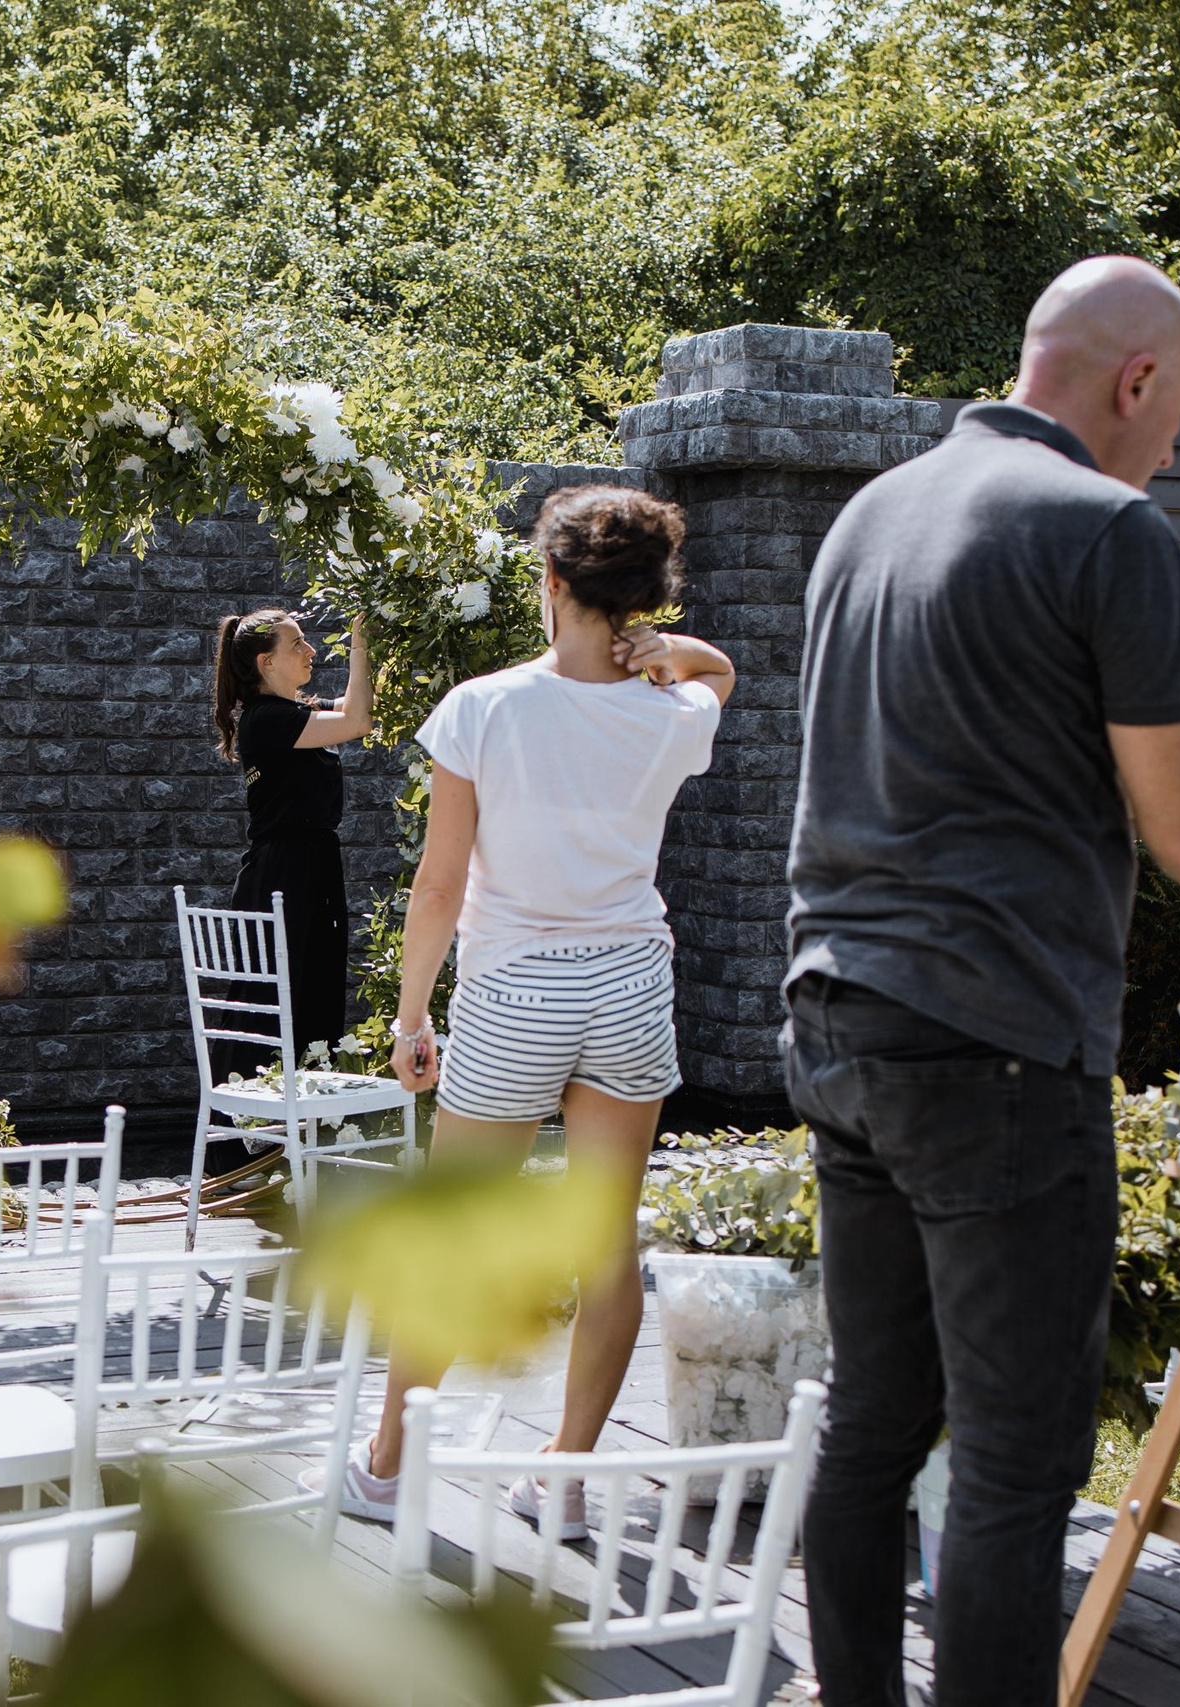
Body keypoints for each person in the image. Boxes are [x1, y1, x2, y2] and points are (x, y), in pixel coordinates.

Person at [783, 256, 1180, 1707]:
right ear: (1135, 381)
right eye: (1178, 417)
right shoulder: (1108, 529)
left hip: (839, 1015)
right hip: (996, 1043)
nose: (1174, 452)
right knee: (1016, 1465)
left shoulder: (873, 513)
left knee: (873, 1422)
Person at [311, 484, 736, 1530]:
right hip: (630, 987)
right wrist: (663, 650)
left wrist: (412, 1019)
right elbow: (721, 671)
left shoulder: (484, 706)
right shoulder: (672, 711)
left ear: (549, 578)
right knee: (606, 1242)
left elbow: (439, 886)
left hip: (516, 995)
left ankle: (386, 1466)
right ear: (645, 593)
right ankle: (566, 1478)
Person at [209, 607, 373, 1080]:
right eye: (297, 643)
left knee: (314, 992)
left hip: (311, 866)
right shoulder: (265, 720)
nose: (310, 650)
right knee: (267, 999)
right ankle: (238, 1117)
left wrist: (378, 645)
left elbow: (354, 705)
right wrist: (359, 642)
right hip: (282, 874)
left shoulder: (293, 714)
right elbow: (357, 721)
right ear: (266, 662)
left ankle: (304, 1113)